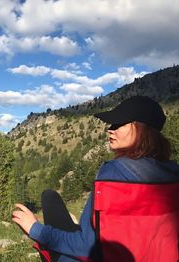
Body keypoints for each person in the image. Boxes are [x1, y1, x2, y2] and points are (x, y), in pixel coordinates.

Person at [12, 96, 179, 261]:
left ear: (142, 129)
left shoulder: (112, 174)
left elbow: (86, 247)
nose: (110, 129)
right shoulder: (174, 174)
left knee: (49, 197)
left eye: (119, 123)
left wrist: (35, 229)